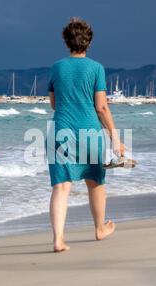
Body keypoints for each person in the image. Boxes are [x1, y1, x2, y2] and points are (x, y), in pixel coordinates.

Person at [47, 18, 124, 252]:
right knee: (96, 183)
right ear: (88, 42)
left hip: (61, 130)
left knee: (61, 187)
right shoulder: (96, 68)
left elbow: (53, 103)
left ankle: (58, 239)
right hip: (90, 131)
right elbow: (101, 107)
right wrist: (116, 140)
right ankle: (99, 228)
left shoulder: (57, 67)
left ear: (66, 41)